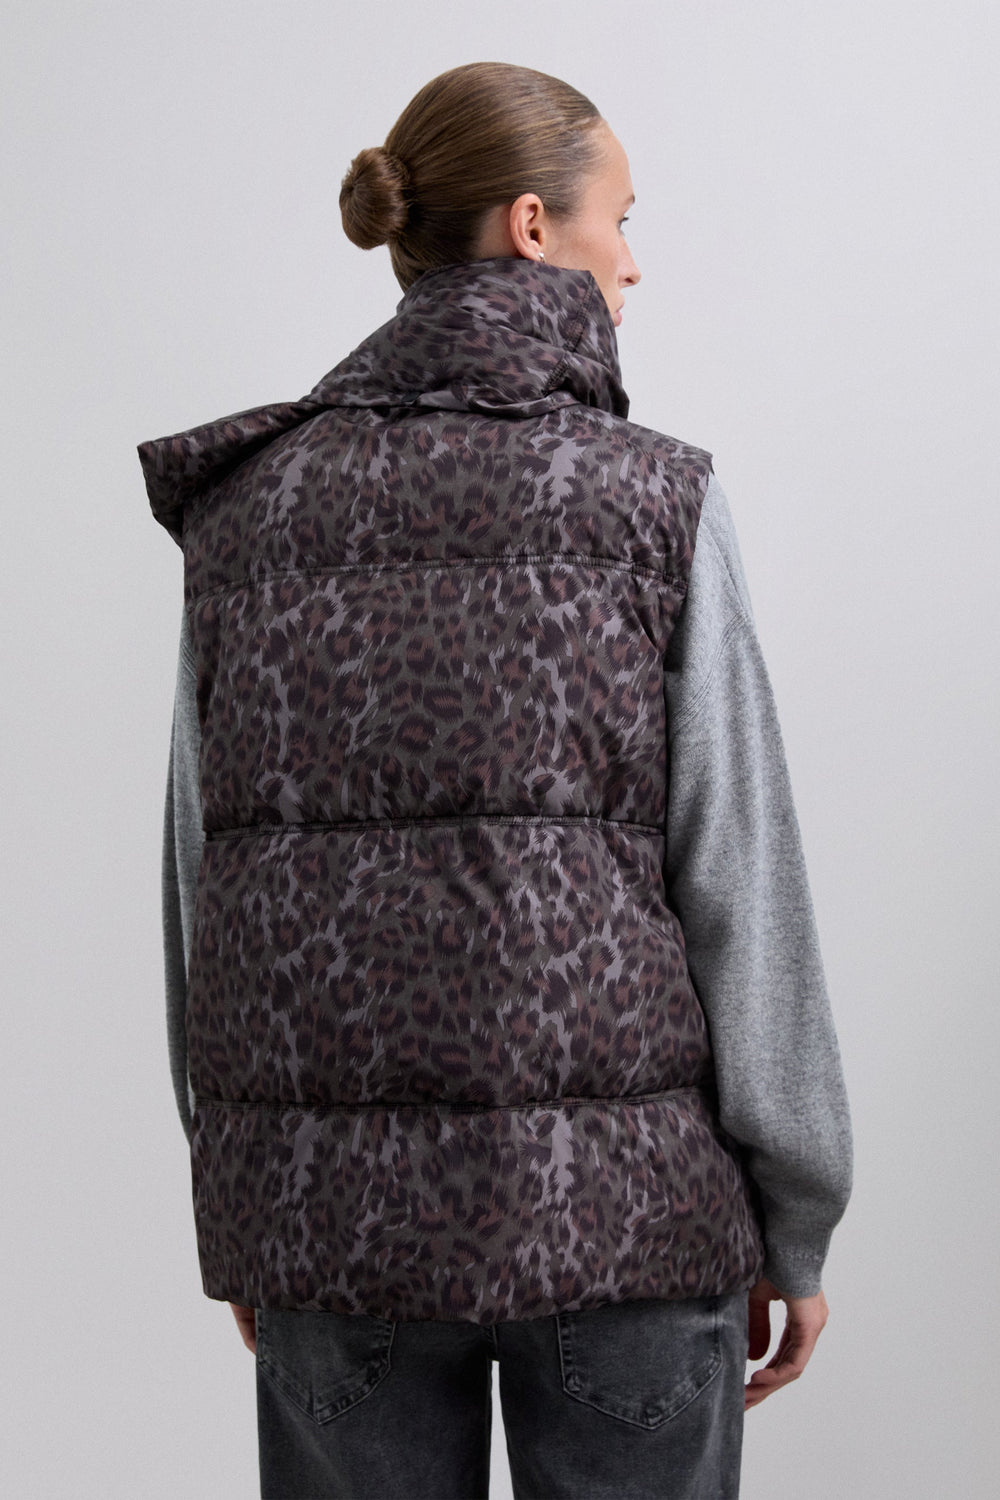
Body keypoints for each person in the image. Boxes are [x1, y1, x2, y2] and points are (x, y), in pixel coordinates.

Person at [140, 61, 852, 1500]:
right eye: (622, 218)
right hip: (627, 1226)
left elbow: (200, 884)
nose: (633, 260)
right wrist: (800, 1212)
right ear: (535, 225)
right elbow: (739, 875)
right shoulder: (653, 500)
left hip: (332, 1229)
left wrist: (248, 1192)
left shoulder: (252, 508)